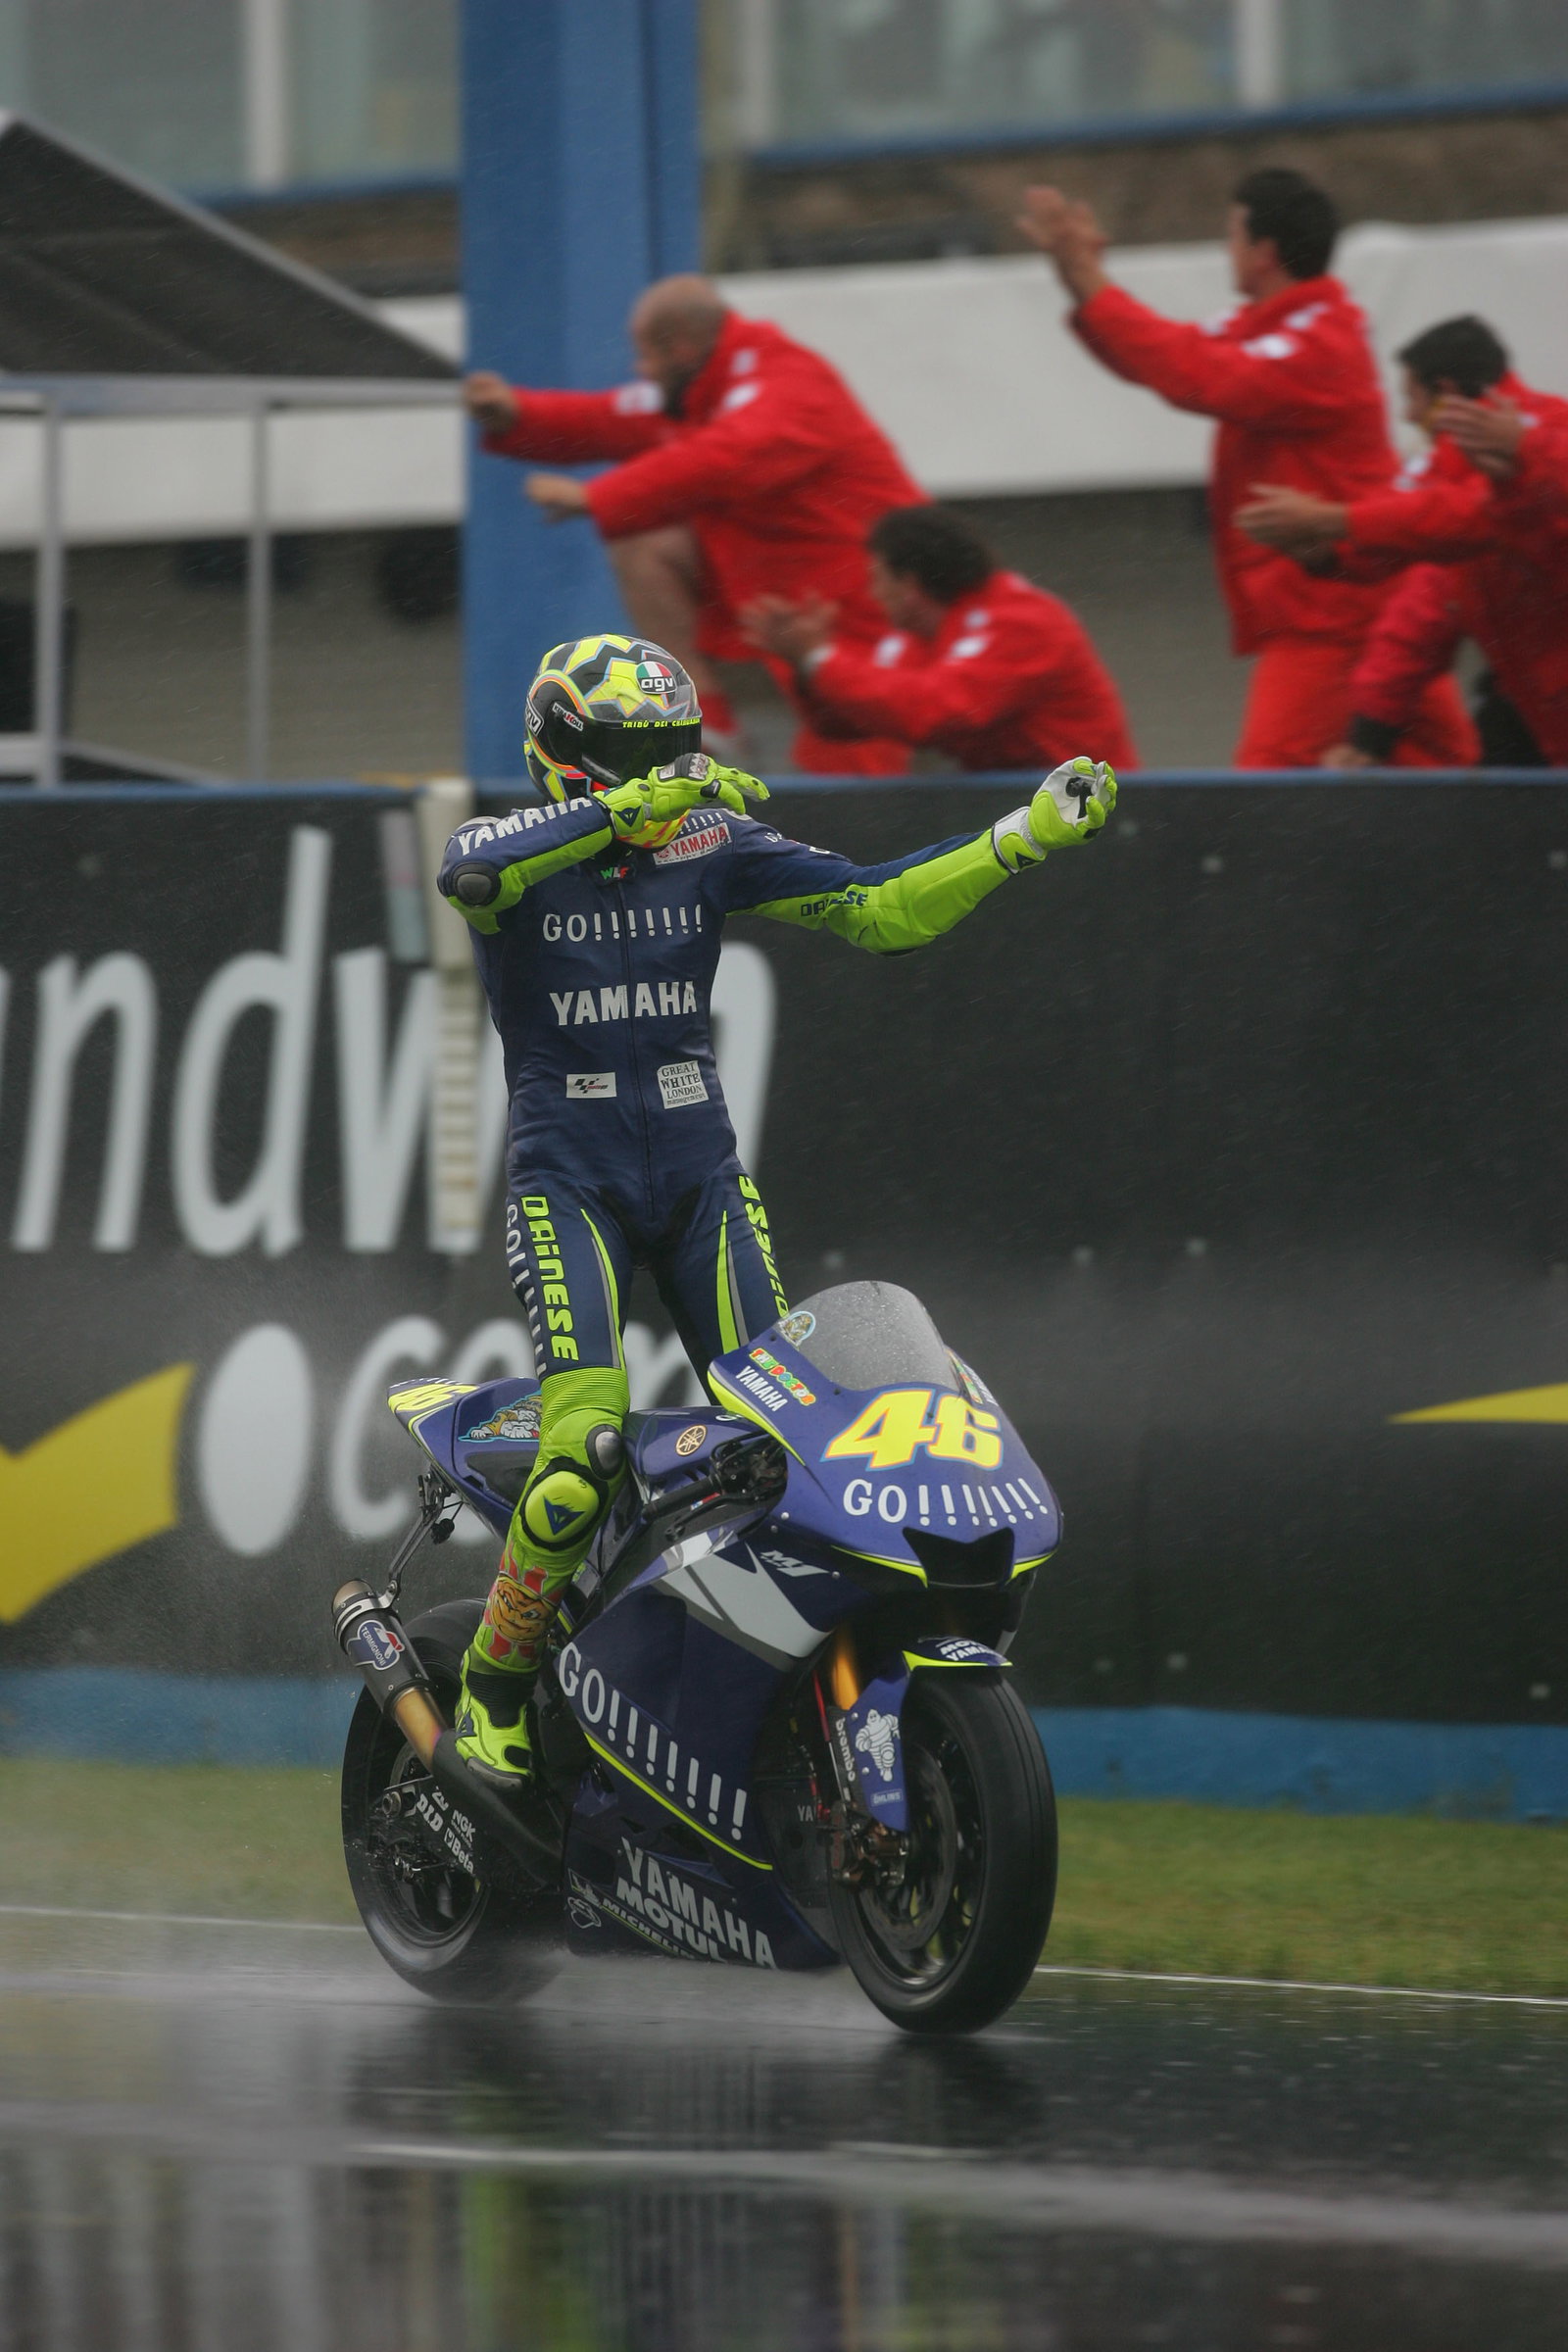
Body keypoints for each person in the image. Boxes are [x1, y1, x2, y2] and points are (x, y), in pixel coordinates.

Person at [436, 632, 1118, 1786]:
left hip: (704, 1180)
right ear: (562, 748)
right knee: (582, 1451)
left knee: (795, 1443)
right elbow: (473, 879)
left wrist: (1020, 838)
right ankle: (490, 1694)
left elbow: (876, 908)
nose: (663, 768)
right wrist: (630, 811)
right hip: (571, 1186)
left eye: (673, 746)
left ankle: (751, 1696)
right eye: (630, 749)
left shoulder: (709, 839)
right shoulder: (508, 843)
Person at [1015, 167, 1477, 770]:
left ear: (1264, 252)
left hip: (1333, 621)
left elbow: (1192, 371)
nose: (1226, 250)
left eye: (1233, 235)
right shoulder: (1270, 329)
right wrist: (1080, 280)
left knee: (1261, 796)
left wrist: (1085, 274)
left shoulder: (1320, 342)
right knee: (1454, 778)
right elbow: (1163, 354)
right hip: (1352, 609)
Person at [465, 274, 923, 773]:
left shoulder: (787, 380)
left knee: (861, 775)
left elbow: (727, 457)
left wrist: (598, 496)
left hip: (869, 608)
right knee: (642, 538)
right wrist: (517, 414)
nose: (640, 371)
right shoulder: (706, 390)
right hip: (793, 606)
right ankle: (706, 722)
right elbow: (611, 415)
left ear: (679, 345)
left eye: (645, 356)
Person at [1235, 317, 1568, 766]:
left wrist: (1331, 521)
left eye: (1411, 396)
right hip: (1537, 705)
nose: (1407, 415)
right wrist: (1328, 552)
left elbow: (1466, 518)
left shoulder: (1542, 437)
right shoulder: (1452, 466)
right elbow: (1422, 603)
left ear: (1446, 392)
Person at [741, 503, 1138, 775]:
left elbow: (936, 712)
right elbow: (848, 723)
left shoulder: (1024, 621)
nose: (871, 591)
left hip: (1092, 817)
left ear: (909, 583)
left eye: (877, 576)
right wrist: (804, 666)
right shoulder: (920, 638)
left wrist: (819, 658)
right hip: (1030, 817)